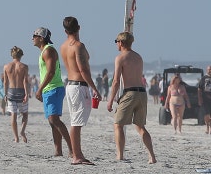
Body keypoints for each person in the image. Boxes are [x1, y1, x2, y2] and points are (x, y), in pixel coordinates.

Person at [106, 32, 156, 164]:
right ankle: (152, 156)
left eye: (117, 41)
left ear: (121, 43)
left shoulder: (120, 57)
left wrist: (110, 100)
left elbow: (116, 81)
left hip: (130, 93)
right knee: (140, 126)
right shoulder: (138, 57)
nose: (116, 44)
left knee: (118, 125)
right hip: (142, 93)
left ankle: (120, 155)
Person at [59, 17, 100, 165]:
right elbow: (83, 69)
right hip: (78, 85)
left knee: (76, 120)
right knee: (76, 122)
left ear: (65, 31)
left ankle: (77, 153)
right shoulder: (78, 46)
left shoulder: (63, 46)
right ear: (79, 28)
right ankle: (76, 155)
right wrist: (94, 88)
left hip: (70, 85)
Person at [32, 27, 73, 159]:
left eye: (34, 36)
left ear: (41, 38)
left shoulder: (48, 50)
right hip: (49, 89)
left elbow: (51, 72)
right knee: (52, 121)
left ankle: (72, 150)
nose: (32, 38)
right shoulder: (44, 51)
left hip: (54, 88)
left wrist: (39, 89)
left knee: (54, 119)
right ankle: (58, 150)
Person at [3, 46, 29, 143]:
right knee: (25, 115)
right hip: (21, 92)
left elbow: (5, 82)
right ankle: (22, 132)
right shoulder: (24, 66)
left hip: (11, 92)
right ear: (21, 55)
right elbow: (25, 81)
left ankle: (16, 137)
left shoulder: (6, 66)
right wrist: (27, 94)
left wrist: (5, 94)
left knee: (13, 115)